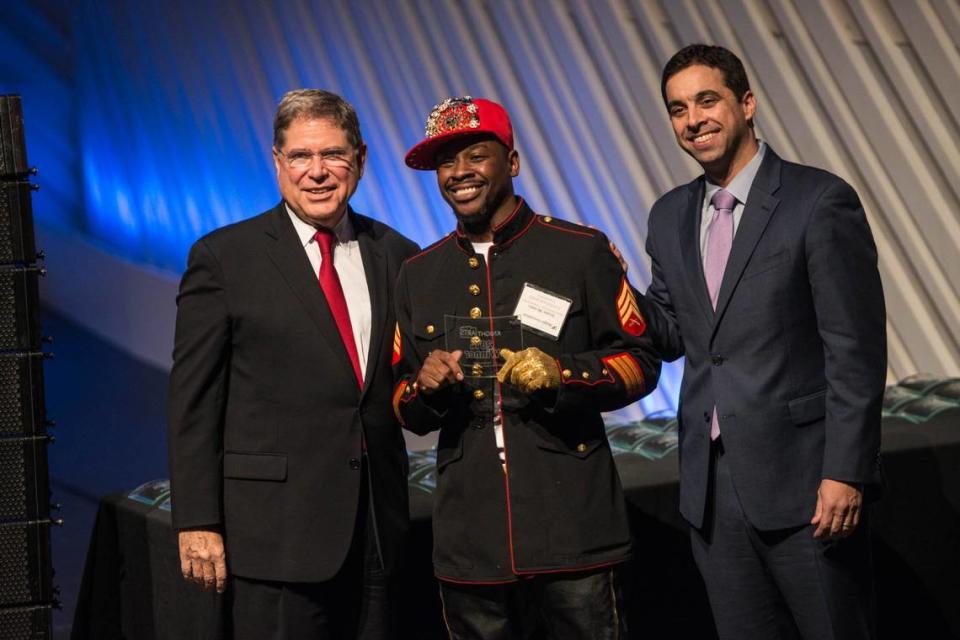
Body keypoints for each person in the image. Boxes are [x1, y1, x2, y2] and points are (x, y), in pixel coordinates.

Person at [392, 96, 661, 639]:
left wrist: (563, 376)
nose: (459, 173)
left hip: (573, 528)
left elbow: (642, 362)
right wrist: (424, 389)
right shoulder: (417, 275)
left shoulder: (581, 251)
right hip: (470, 541)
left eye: (475, 155)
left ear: (511, 162)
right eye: (446, 162)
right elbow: (403, 405)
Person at [642, 44, 886, 639]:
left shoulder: (818, 200)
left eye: (707, 100)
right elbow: (674, 335)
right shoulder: (669, 215)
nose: (693, 119)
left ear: (746, 103)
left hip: (809, 486)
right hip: (712, 497)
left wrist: (845, 473)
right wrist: (609, 290)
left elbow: (855, 350)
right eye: (678, 109)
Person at [166, 89, 419, 639]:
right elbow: (193, 399)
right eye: (300, 156)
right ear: (277, 163)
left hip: (377, 528)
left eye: (333, 154)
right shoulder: (224, 259)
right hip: (275, 534)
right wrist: (197, 520)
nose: (318, 172)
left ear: (361, 160)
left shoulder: (398, 254)